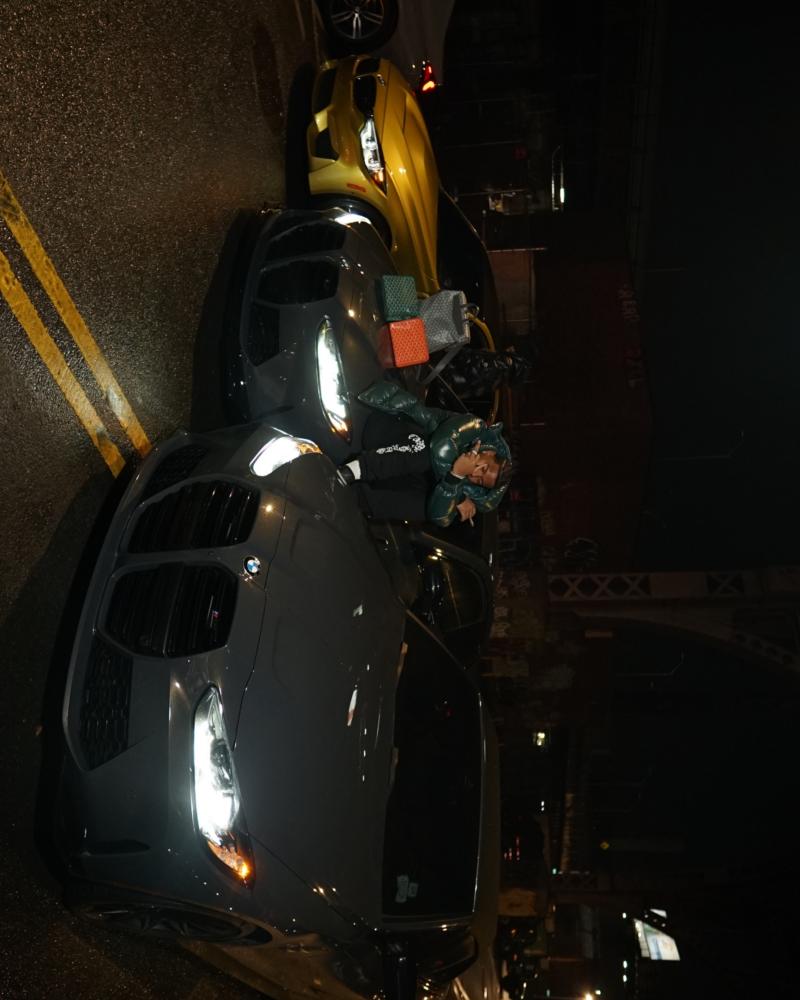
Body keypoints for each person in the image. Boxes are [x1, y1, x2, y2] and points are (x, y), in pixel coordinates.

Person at [336, 380, 513, 527]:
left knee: (431, 505)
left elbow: (440, 518)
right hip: (385, 428)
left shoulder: (466, 490)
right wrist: (457, 479)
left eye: (480, 481)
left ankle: (353, 499)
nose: (475, 474)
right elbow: (441, 447)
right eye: (483, 468)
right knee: (429, 454)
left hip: (387, 474)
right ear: (488, 452)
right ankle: (353, 471)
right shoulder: (474, 428)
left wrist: (453, 483)